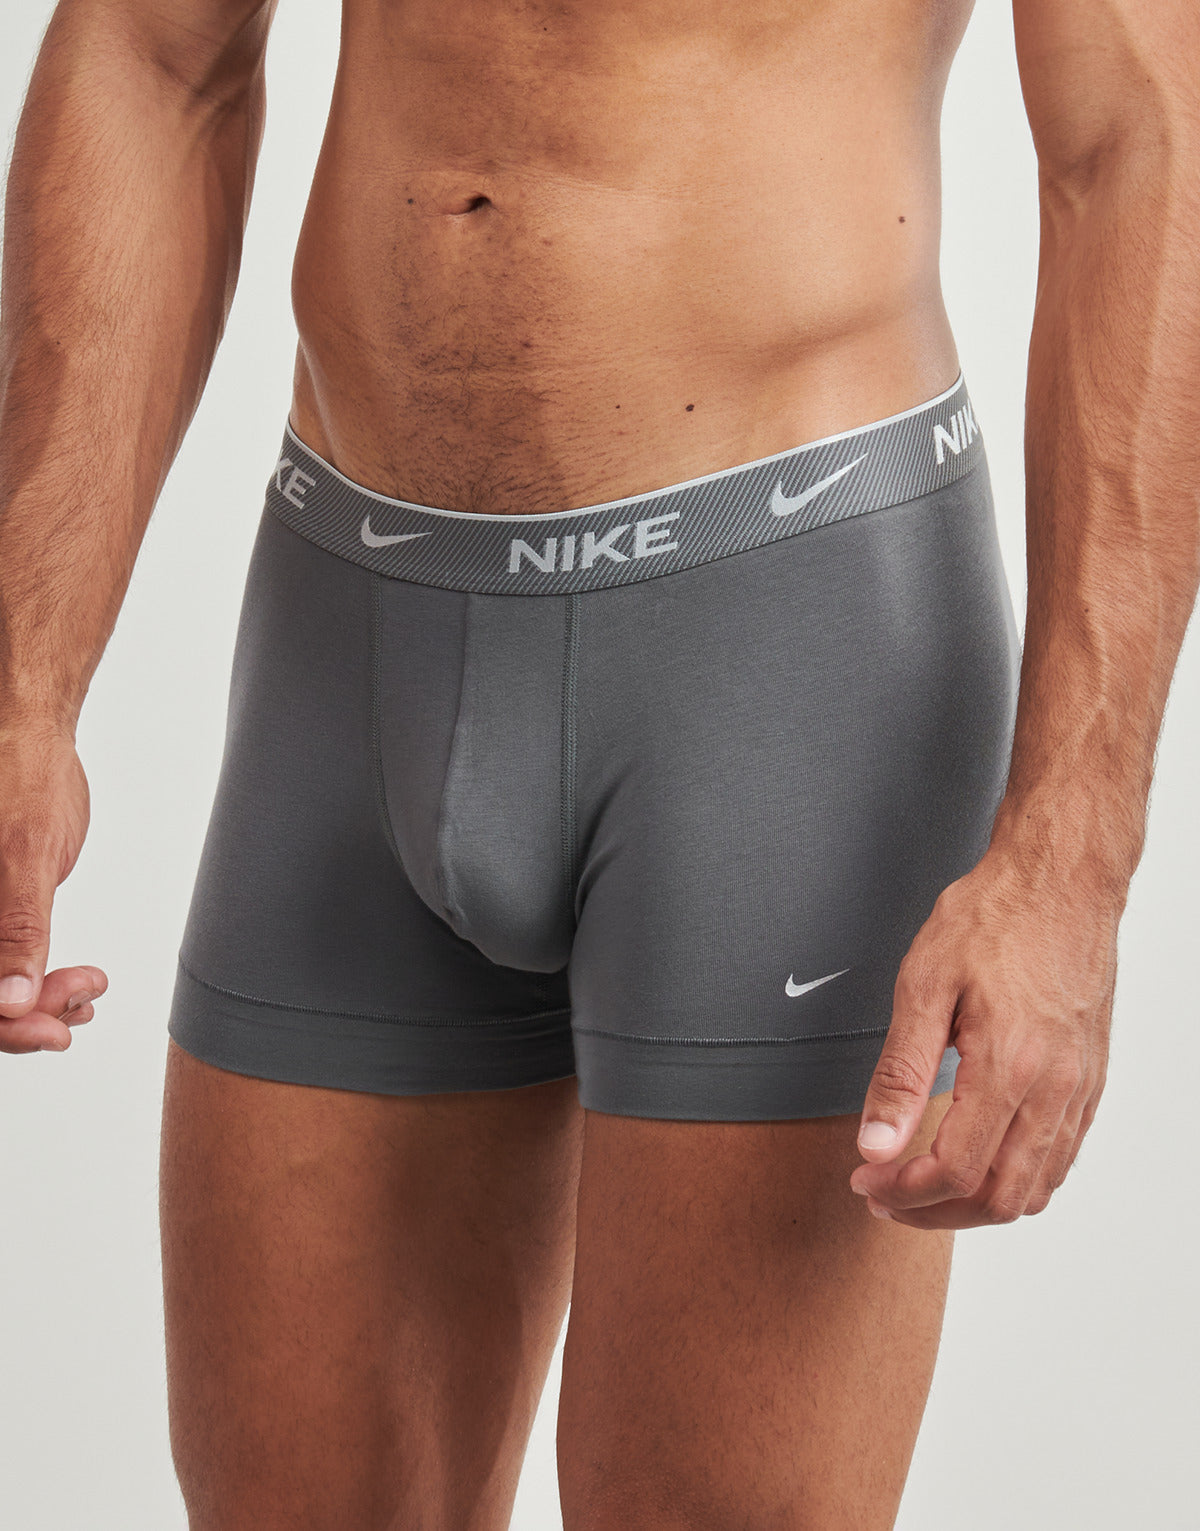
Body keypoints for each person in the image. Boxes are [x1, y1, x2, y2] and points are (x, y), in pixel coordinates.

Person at [0, 0, 1196, 1525]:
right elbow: (151, 54)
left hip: (784, 647)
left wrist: (1070, 861)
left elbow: (1143, 137)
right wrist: (24, 691)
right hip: (347, 633)